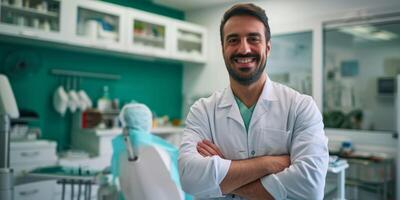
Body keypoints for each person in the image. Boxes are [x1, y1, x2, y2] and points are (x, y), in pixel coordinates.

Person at [178, 3, 329, 200]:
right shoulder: (202, 111)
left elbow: (311, 187)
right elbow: (189, 179)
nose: (244, 48)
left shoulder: (301, 107)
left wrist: (225, 176)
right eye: (233, 40)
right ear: (223, 48)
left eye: (253, 39)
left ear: (268, 47)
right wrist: (268, 164)